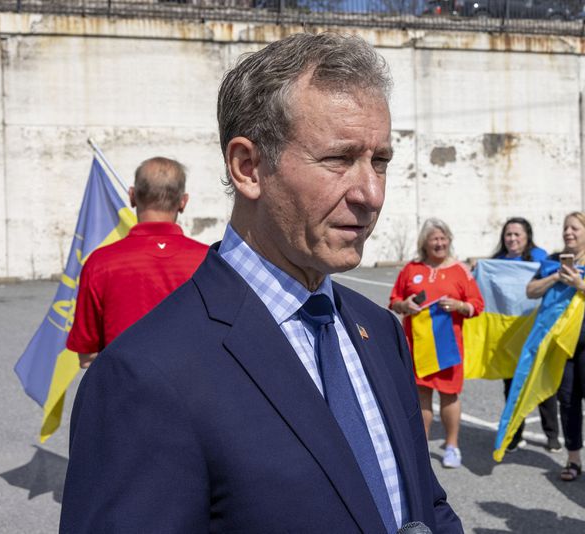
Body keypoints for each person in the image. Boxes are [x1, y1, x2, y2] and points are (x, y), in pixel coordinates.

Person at [61, 33, 463, 533]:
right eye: (339, 159)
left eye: (379, 160)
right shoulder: (144, 377)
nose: (371, 193)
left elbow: (424, 505)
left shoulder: (378, 332)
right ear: (248, 167)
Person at [66, 157, 208, 368]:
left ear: (132, 196)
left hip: (123, 394)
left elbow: (86, 357)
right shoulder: (210, 261)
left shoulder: (100, 263)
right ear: (183, 202)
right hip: (192, 393)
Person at [526, 211, 585, 482]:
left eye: (575, 229)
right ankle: (573, 458)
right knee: (567, 402)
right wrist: (555, 277)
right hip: (561, 343)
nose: (568, 233)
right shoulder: (553, 261)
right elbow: (530, 290)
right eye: (566, 228)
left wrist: (580, 285)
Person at [390, 218, 484, 469]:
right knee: (421, 396)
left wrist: (459, 305)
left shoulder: (460, 270)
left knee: (449, 396)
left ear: (449, 240)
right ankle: (421, 448)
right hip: (417, 345)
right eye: (434, 239)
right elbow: (394, 300)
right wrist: (404, 305)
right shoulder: (411, 268)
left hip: (448, 346)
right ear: (425, 242)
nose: (440, 243)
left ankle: (452, 446)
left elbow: (477, 305)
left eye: (443, 238)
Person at [491, 217, 560, 452]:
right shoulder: (497, 262)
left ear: (527, 236)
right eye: (508, 235)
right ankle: (514, 433)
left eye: (517, 234)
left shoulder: (541, 258)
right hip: (509, 335)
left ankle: (552, 435)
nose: (512, 239)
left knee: (541, 384)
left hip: (535, 329)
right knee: (511, 386)